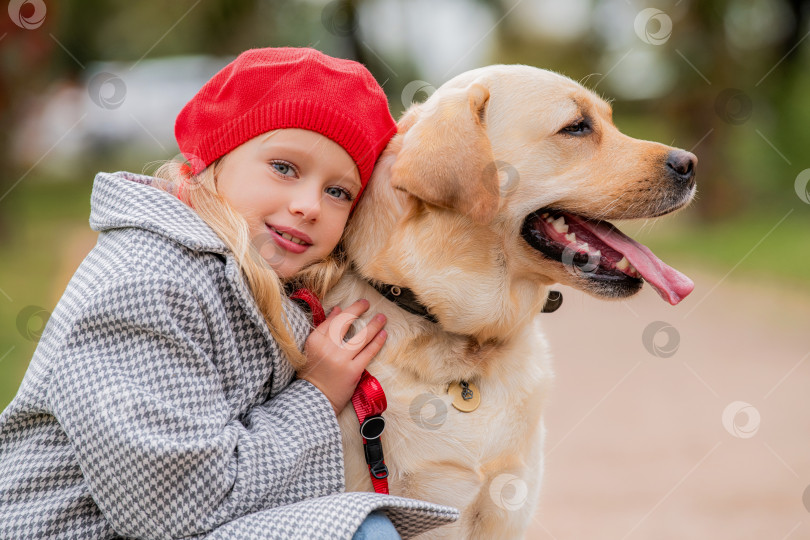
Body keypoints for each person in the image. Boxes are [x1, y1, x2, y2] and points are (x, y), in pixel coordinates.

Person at [0, 47, 458, 539]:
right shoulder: (148, 284)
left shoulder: (266, 284)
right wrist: (319, 392)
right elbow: (171, 507)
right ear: (215, 159)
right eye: (284, 167)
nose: (307, 206)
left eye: (338, 192)